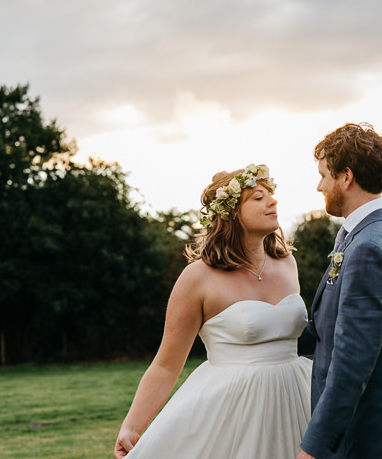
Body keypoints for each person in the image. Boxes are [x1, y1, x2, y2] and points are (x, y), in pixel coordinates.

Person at [114, 164, 312, 459]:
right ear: (230, 213)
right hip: (236, 409)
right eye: (258, 197)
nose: (273, 201)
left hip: (299, 396)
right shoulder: (198, 277)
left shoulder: (287, 265)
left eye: (270, 194)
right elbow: (167, 365)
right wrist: (133, 424)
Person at [297, 123, 382, 459]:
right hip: (368, 429)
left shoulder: (370, 246)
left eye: (324, 174)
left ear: (346, 177)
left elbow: (351, 364)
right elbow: (327, 331)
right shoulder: (363, 235)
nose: (319, 185)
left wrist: (313, 448)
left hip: (373, 433)